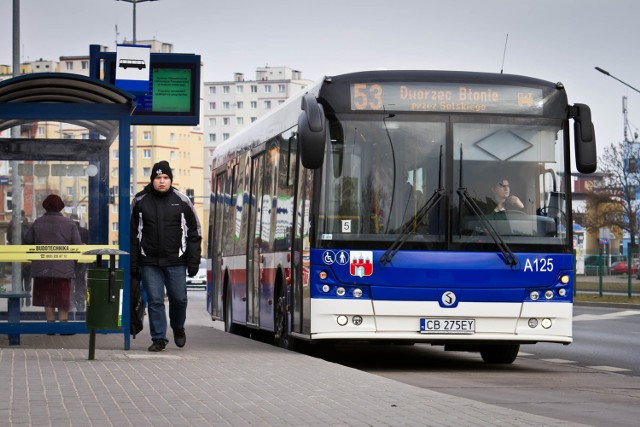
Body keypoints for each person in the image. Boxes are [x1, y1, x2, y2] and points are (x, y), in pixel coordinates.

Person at [130, 160, 202, 352]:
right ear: (152, 179)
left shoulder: (182, 201)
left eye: (165, 178)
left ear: (170, 180)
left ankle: (178, 327)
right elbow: (132, 235)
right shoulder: (139, 201)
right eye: (158, 177)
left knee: (179, 299)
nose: (162, 181)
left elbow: (194, 232)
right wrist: (134, 263)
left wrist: (193, 261)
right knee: (155, 301)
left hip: (176, 260)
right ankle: (159, 338)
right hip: (149, 261)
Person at [23, 195, 82, 327]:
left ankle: (50, 324)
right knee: (62, 297)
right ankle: (64, 324)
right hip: (64, 268)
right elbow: (77, 244)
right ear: (60, 207)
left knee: (47, 298)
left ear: (45, 206)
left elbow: (27, 240)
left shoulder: (38, 222)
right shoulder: (69, 223)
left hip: (42, 267)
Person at [7, 210, 32, 306]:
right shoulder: (28, 225)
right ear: (24, 215)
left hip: (16, 256)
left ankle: (20, 297)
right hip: (28, 256)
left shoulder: (11, 224)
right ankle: (28, 294)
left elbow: (9, 238)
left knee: (18, 277)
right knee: (28, 277)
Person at [69, 213, 89, 313]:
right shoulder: (85, 231)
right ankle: (80, 304)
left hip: (69, 261)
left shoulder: (67, 232)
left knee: (70, 282)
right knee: (80, 281)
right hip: (81, 261)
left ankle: (70, 304)